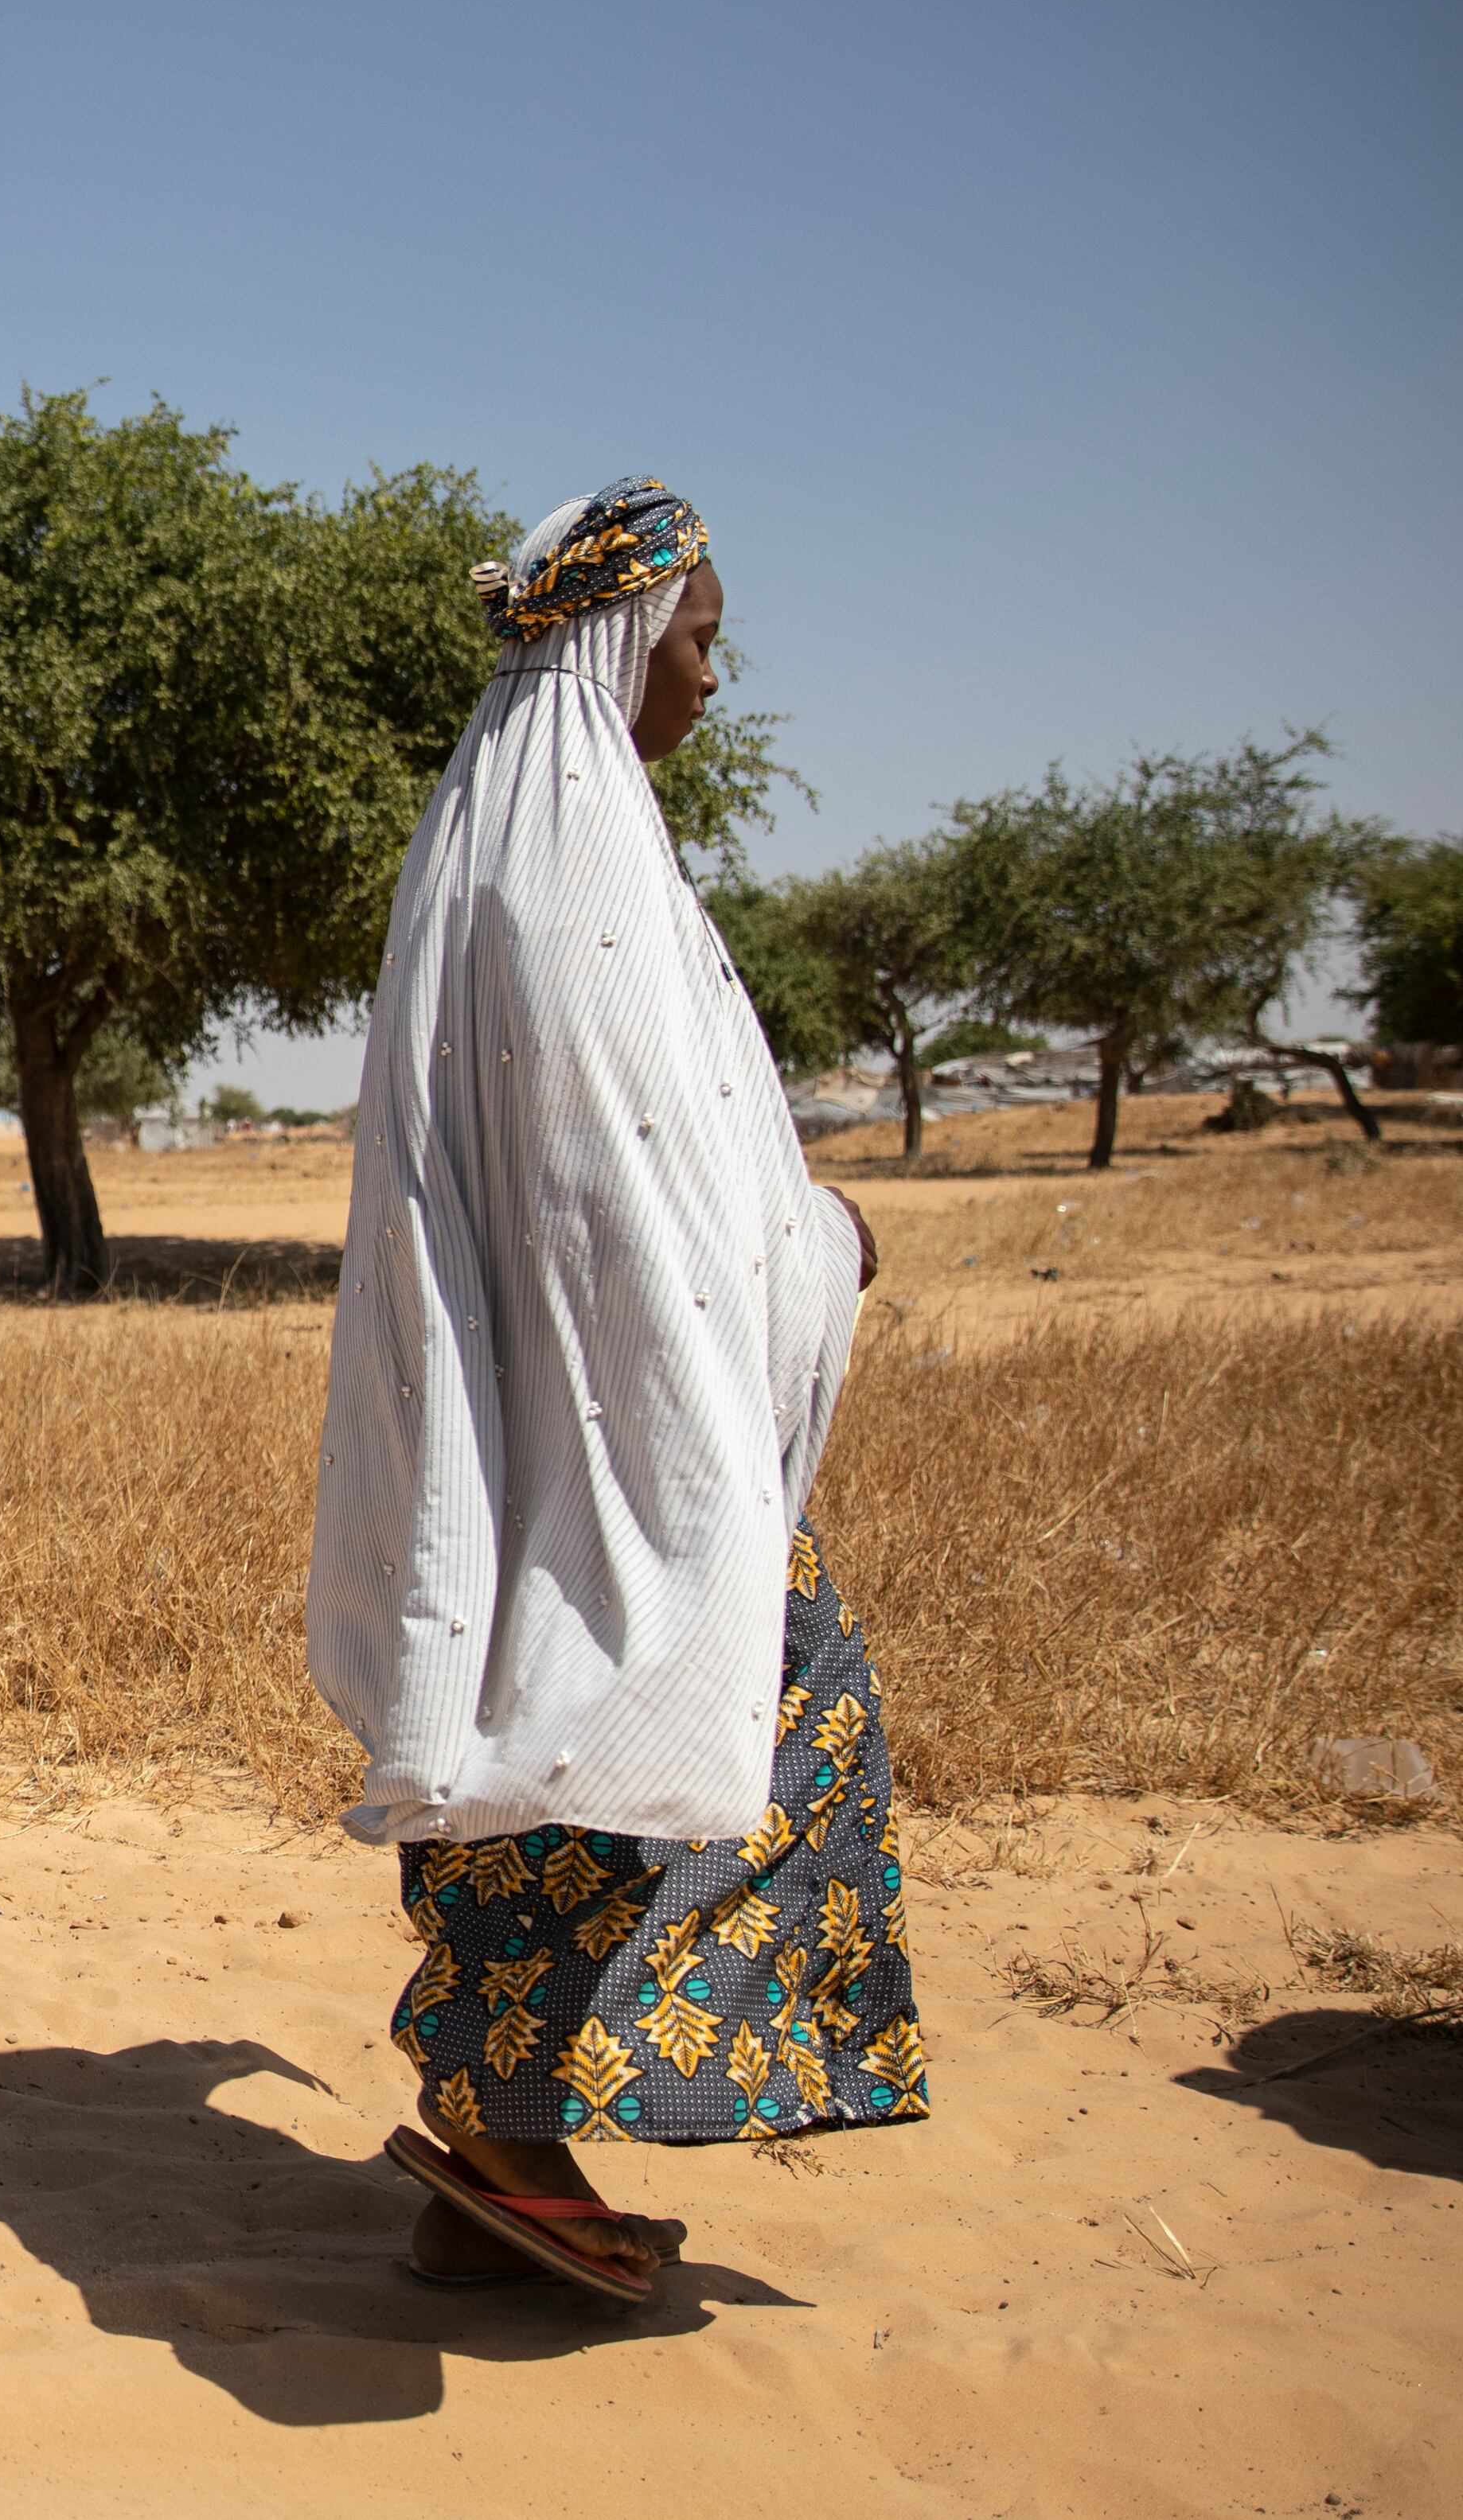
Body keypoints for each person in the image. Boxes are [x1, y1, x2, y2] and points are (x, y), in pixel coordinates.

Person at [304, 482, 923, 2304]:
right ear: (614, 641)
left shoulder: (549, 843)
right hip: (610, 1432)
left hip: (565, 1435)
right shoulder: (564, 872)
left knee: (550, 1752)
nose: (715, 680)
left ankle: (496, 2153)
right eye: (699, 637)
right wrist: (816, 1244)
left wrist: (795, 1237)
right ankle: (503, 2133)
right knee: (713, 1725)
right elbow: (617, 1203)